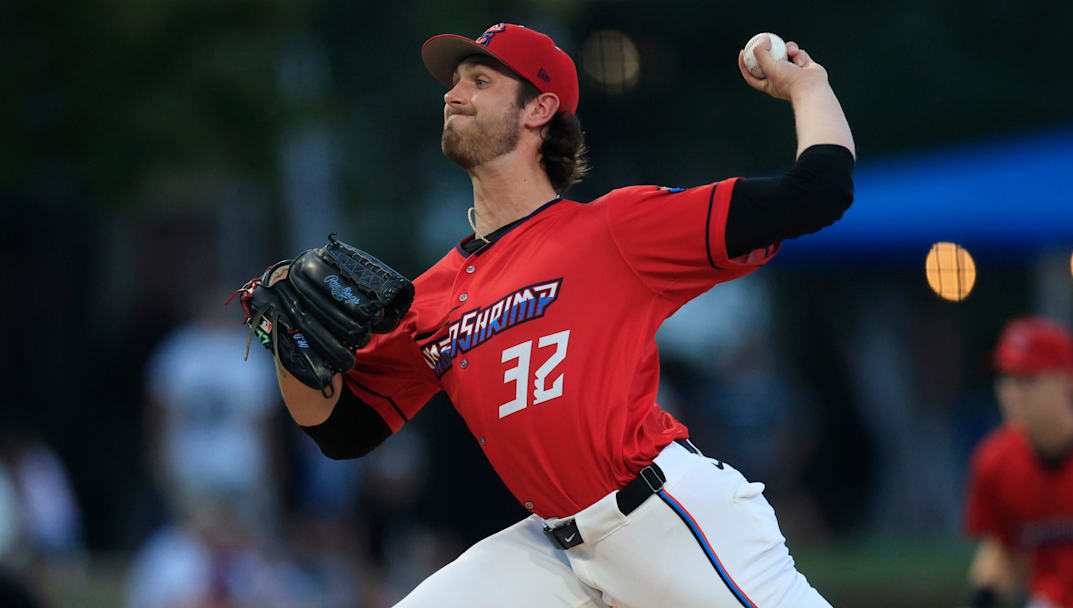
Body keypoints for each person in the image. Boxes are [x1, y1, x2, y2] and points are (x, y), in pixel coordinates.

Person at [265, 23, 855, 606]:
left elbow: (819, 189)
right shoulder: (432, 297)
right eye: (453, 83)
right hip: (553, 551)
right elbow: (342, 430)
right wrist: (284, 337)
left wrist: (809, 89)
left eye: (480, 80)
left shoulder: (613, 229)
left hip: (662, 516)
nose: (453, 93)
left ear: (538, 108)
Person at [965, 317, 1073, 608]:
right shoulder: (995, 462)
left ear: (1069, 380)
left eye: (1028, 378)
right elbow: (1000, 551)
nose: (1012, 392)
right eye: (1006, 377)